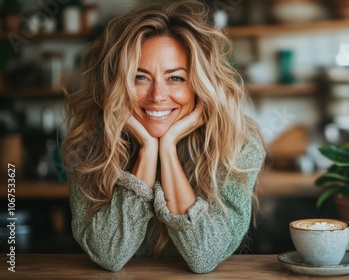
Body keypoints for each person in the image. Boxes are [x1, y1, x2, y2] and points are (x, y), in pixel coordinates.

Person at [61, 0, 266, 273]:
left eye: (176, 78)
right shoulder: (89, 143)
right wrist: (148, 149)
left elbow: (205, 256)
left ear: (200, 85)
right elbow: (108, 254)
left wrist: (167, 148)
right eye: (140, 77)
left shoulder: (239, 143)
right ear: (116, 84)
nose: (157, 96)